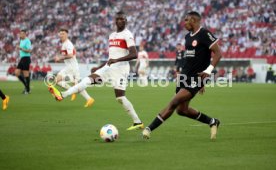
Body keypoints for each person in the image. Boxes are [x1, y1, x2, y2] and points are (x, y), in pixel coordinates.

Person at [48, 11, 143, 130]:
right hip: (109, 67)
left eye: (122, 19)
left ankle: (137, 121)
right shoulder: (112, 35)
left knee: (120, 98)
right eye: (118, 19)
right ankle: (63, 94)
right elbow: (111, 57)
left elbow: (134, 54)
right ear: (115, 21)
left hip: (121, 69)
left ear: (126, 21)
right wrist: (99, 67)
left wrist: (116, 60)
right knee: (87, 80)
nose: (120, 21)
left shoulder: (127, 35)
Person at [142, 11, 222, 140]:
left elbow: (218, 53)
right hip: (185, 76)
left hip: (196, 78)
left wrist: (208, 71)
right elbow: (189, 59)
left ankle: (149, 129)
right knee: (182, 110)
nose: (184, 23)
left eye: (186, 20)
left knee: (174, 102)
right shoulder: (187, 37)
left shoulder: (204, 34)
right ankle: (212, 121)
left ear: (194, 20)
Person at [53, 27, 94, 108]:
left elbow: (71, 55)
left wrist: (60, 58)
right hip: (68, 67)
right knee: (56, 81)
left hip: (73, 68)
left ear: (67, 34)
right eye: (60, 34)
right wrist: (59, 59)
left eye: (63, 34)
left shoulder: (68, 44)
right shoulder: (64, 44)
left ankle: (89, 99)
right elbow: (67, 57)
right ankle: (73, 91)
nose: (61, 35)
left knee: (77, 86)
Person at [15, 29, 32, 94]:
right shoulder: (21, 40)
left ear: (25, 34)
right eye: (20, 33)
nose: (20, 35)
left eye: (21, 34)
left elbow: (29, 50)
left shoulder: (27, 41)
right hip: (22, 58)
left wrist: (21, 48)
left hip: (26, 58)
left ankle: (27, 90)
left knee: (26, 74)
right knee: (16, 72)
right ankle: (27, 87)